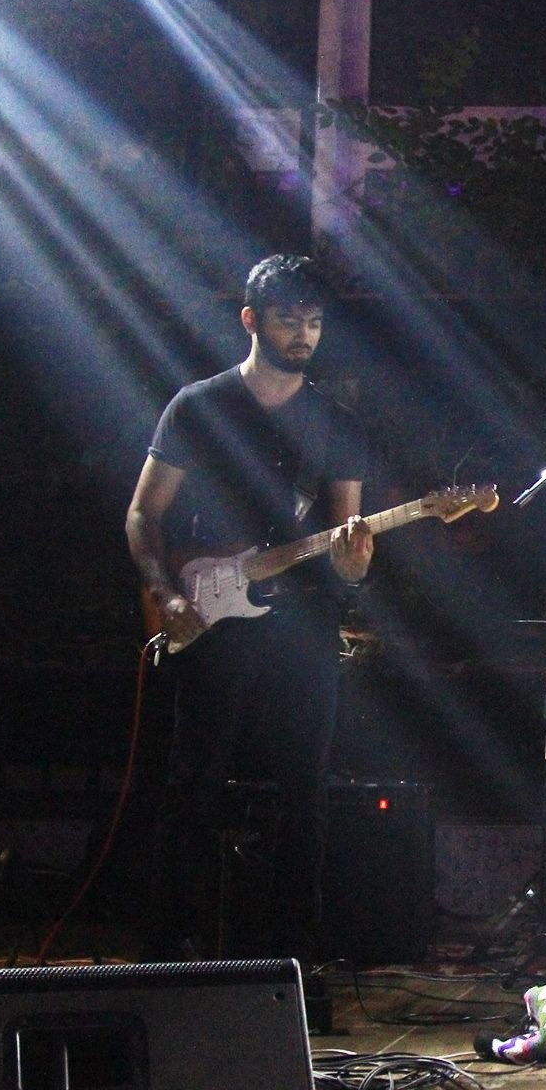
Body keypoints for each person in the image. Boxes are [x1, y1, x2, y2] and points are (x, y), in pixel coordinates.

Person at [125, 254, 373, 965]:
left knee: (306, 791)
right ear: (250, 320)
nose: (304, 333)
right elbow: (143, 514)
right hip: (211, 613)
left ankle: (295, 958)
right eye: (289, 318)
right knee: (193, 782)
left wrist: (354, 563)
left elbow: (346, 542)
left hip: (303, 622)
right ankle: (169, 948)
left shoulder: (335, 422)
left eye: (315, 321)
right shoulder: (198, 407)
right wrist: (166, 594)